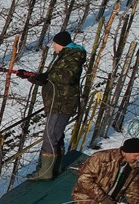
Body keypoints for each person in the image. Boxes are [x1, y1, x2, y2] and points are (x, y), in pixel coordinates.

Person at [17, 31, 87, 180]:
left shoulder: (73, 57)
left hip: (62, 103)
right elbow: (51, 79)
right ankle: (54, 168)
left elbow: (67, 77)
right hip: (57, 102)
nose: (53, 46)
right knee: (55, 136)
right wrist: (30, 76)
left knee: (50, 136)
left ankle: (45, 171)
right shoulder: (65, 57)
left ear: (60, 44)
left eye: (54, 43)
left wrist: (46, 76)